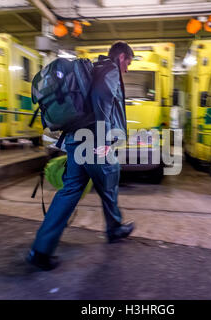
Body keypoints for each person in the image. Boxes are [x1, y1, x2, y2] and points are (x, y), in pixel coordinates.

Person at [26, 41, 135, 271]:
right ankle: (115, 229)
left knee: (71, 190)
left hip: (77, 139)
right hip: (93, 140)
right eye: (129, 63)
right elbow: (102, 98)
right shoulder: (110, 70)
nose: (127, 69)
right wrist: (105, 140)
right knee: (110, 176)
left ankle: (41, 249)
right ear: (122, 57)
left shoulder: (95, 69)